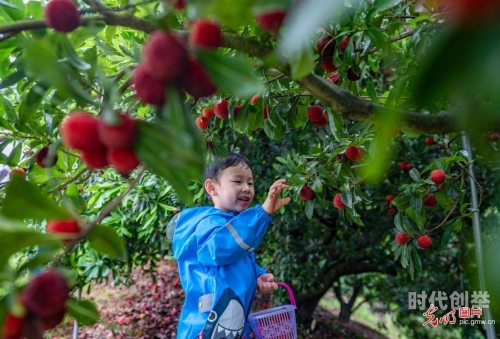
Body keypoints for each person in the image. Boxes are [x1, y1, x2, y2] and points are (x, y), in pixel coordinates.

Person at [168, 152, 291, 339]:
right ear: (212, 187)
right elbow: (222, 249)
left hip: (230, 323)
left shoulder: (234, 225)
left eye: (250, 183)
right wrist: (263, 212)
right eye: (238, 181)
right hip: (208, 326)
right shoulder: (208, 224)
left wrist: (257, 275)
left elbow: (234, 260)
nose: (247, 188)